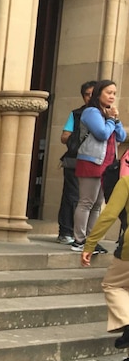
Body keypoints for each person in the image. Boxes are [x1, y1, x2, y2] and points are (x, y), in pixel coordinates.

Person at [70, 79, 126, 253]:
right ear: (99, 93)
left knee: (97, 204)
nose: (112, 96)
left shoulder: (108, 113)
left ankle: (91, 239)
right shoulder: (91, 112)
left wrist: (115, 119)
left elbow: (122, 137)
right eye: (108, 92)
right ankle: (79, 240)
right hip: (91, 161)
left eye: (114, 93)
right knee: (86, 201)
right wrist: (110, 120)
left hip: (107, 164)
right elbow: (101, 134)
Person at [81, 173, 129, 361]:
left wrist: (90, 244)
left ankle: (127, 323)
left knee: (113, 284)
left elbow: (109, 215)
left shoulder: (126, 181)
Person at [57, 80, 96, 244]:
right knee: (72, 196)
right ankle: (66, 231)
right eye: (87, 94)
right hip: (75, 160)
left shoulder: (106, 115)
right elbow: (64, 137)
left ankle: (86, 235)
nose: (90, 98)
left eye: (93, 94)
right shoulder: (76, 114)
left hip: (95, 163)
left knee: (92, 201)